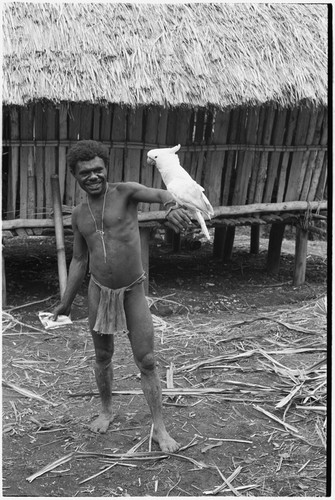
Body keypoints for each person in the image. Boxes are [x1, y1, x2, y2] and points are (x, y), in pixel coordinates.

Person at [52, 140, 192, 453]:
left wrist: (171, 206)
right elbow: (78, 260)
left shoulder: (126, 192)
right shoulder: (78, 215)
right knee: (103, 356)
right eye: (85, 172)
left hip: (132, 290)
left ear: (106, 169)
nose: (93, 176)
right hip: (98, 291)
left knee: (147, 360)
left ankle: (160, 428)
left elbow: (160, 194)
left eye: (98, 169)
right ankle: (106, 411)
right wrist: (65, 302)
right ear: (75, 175)